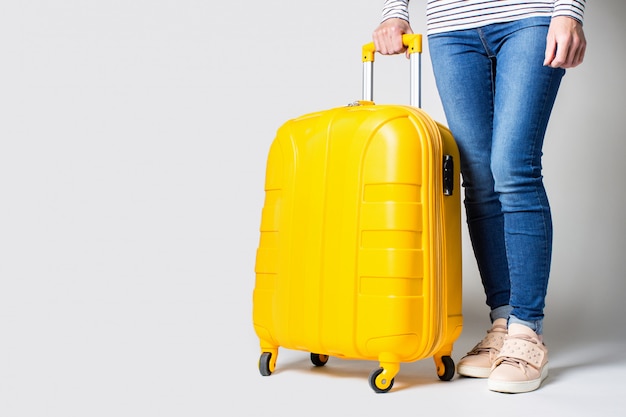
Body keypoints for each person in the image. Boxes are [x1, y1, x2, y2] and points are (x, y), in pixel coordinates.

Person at [373, 0, 586, 393]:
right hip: (451, 26)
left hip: (529, 15)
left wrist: (568, 10)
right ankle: (503, 321)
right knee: (479, 178)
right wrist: (393, 11)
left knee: (513, 167)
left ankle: (526, 331)